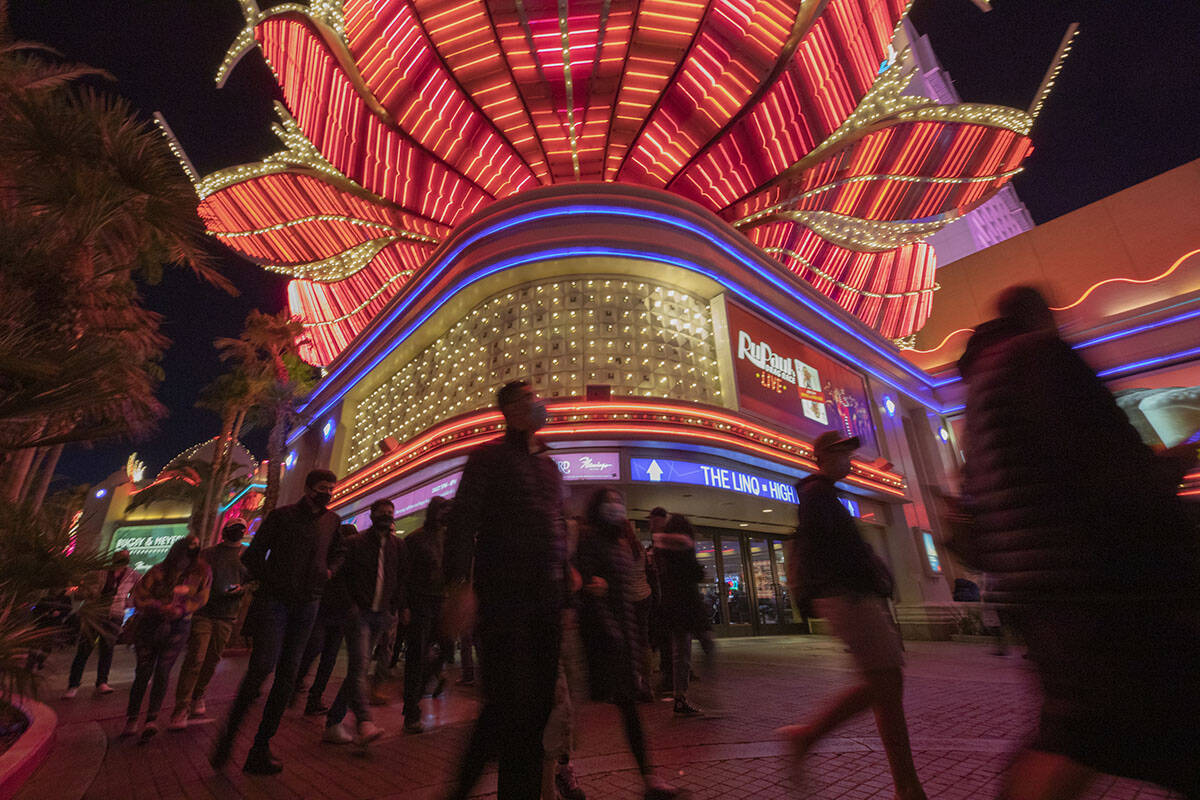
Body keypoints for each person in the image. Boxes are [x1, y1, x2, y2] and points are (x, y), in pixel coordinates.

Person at [956, 286, 1200, 800]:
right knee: (1110, 730)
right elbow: (1112, 465)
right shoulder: (1039, 358)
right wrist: (1171, 466)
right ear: (1042, 316)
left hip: (1042, 596)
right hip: (1106, 583)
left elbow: (979, 506)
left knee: (1080, 733)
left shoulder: (979, 398)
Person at [779, 430, 925, 800]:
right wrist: (869, 572)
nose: (849, 460)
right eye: (843, 452)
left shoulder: (824, 495)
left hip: (851, 596)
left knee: (887, 685)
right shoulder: (818, 496)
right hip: (848, 597)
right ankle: (807, 736)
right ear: (824, 457)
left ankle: (907, 786)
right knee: (885, 683)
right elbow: (836, 551)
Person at [442, 381, 569, 800]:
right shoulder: (488, 458)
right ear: (510, 410)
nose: (539, 404)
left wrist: (567, 585)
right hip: (503, 598)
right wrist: (460, 586)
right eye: (529, 398)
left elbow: (558, 525)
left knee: (537, 709)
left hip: (546, 602)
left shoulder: (548, 466)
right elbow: (462, 522)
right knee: (505, 704)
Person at [211, 469, 345, 775]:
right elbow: (253, 556)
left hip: (307, 604)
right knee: (261, 668)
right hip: (276, 602)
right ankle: (227, 740)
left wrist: (328, 572)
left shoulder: (332, 521)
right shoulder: (282, 516)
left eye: (331, 488)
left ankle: (261, 747)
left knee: (287, 677)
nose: (327, 493)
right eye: (323, 487)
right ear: (309, 488)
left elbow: (339, 552)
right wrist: (275, 581)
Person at [576, 488, 680, 799]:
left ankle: (650, 779)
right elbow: (587, 586)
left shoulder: (620, 542)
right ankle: (558, 771)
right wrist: (593, 590)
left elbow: (624, 596)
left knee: (629, 710)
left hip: (619, 640)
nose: (615, 506)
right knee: (571, 713)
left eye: (618, 501)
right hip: (595, 643)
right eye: (609, 501)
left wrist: (629, 640)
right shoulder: (588, 538)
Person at [323, 499, 408, 747]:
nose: (386, 516)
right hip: (359, 614)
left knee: (357, 671)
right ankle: (364, 722)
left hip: (381, 614)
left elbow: (401, 578)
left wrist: (395, 607)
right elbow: (340, 579)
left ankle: (333, 722)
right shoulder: (355, 543)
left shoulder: (398, 547)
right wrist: (350, 605)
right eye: (382, 512)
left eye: (390, 512)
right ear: (372, 515)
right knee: (360, 665)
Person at [123, 536, 211, 741]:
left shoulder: (201, 572)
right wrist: (159, 607)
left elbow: (202, 597)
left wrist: (181, 609)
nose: (185, 560)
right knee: (143, 671)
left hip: (178, 626)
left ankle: (151, 719)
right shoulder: (158, 571)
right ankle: (132, 718)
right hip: (150, 624)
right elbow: (139, 596)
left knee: (163, 671)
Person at [168, 519, 251, 729]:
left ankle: (198, 694)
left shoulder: (247, 555)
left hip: (228, 614)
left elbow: (253, 581)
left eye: (240, 530)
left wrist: (242, 590)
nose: (237, 532)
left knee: (212, 658)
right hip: (203, 612)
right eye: (234, 529)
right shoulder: (209, 554)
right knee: (196, 657)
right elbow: (194, 576)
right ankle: (181, 707)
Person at [651, 514, 714, 716]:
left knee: (680, 653)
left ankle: (680, 697)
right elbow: (694, 574)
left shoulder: (661, 550)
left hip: (671, 605)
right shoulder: (685, 547)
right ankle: (707, 692)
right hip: (689, 604)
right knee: (706, 645)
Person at [293, 524, 358, 716]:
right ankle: (313, 696)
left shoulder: (332, 556)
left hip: (326, 609)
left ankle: (297, 686)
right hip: (335, 610)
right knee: (326, 656)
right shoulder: (347, 560)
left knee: (315, 651)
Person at [402, 496, 451, 733]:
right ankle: (411, 710)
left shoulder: (448, 539)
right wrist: (404, 606)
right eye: (441, 511)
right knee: (416, 654)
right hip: (420, 601)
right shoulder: (415, 539)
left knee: (445, 649)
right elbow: (405, 576)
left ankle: (419, 688)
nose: (445, 516)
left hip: (441, 601)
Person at [63, 549, 139, 698]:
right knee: (84, 649)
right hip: (95, 613)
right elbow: (84, 590)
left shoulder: (132, 575)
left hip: (115, 614)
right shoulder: (100, 573)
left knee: (107, 649)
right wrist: (90, 594)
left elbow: (138, 590)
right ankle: (73, 685)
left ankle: (102, 682)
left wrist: (127, 602)